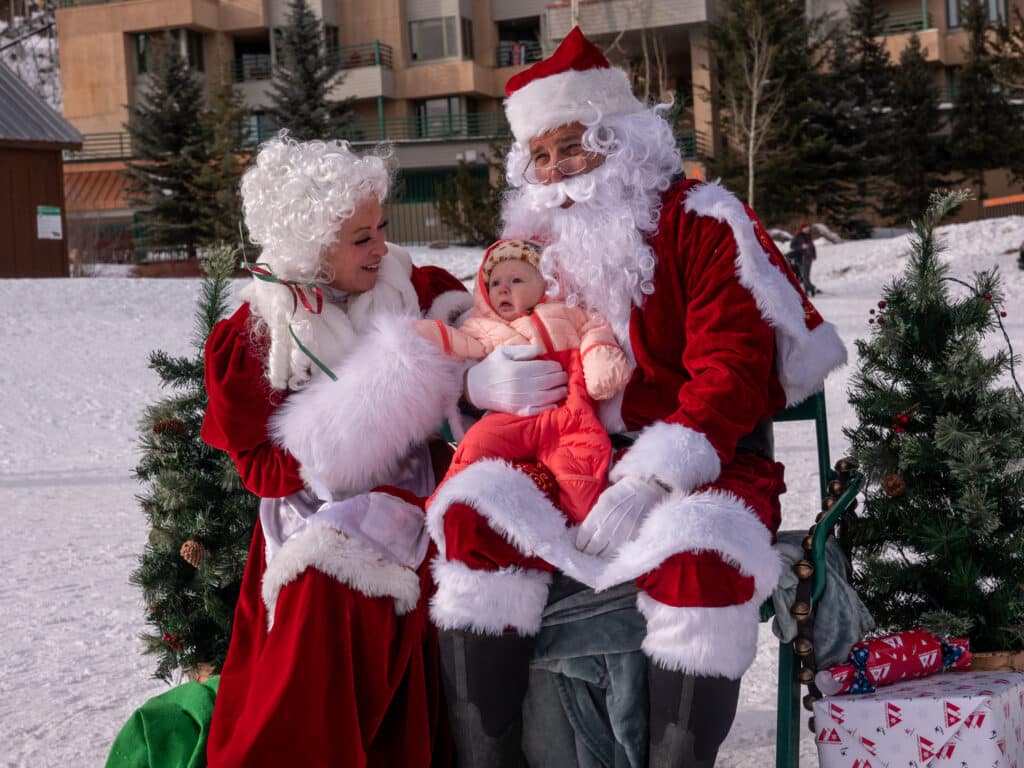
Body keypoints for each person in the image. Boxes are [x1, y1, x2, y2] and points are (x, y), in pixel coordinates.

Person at [426, 27, 848, 767]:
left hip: (702, 460)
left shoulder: (703, 221)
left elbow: (733, 370)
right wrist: (475, 383)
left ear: (618, 139)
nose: (559, 171)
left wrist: (654, 473)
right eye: (542, 156)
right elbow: (479, 329)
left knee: (700, 556)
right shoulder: (528, 249)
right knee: (472, 515)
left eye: (574, 145)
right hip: (556, 459)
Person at [200, 135, 471, 768]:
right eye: (360, 238)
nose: (382, 248)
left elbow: (490, 342)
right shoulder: (254, 335)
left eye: (381, 228)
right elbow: (264, 472)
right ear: (311, 246)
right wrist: (363, 416)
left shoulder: (417, 286)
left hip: (416, 491)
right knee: (325, 585)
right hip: (313, 510)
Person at [415, 238, 632, 525]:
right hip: (511, 418)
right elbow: (459, 344)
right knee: (477, 446)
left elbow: (595, 330)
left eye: (516, 279)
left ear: (546, 284)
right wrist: (428, 335)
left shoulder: (569, 314)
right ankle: (441, 507)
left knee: (584, 465)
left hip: (569, 413)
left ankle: (586, 527)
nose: (503, 288)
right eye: (494, 284)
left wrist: (599, 358)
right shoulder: (483, 326)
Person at [789, 222, 818, 296]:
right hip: (802, 257)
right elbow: (792, 246)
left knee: (807, 275)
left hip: (809, 257)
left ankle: (810, 289)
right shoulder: (798, 236)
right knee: (804, 275)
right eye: (805, 228)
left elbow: (812, 246)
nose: (807, 229)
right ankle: (808, 290)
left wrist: (814, 255)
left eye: (808, 228)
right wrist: (801, 246)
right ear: (802, 229)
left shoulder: (809, 236)